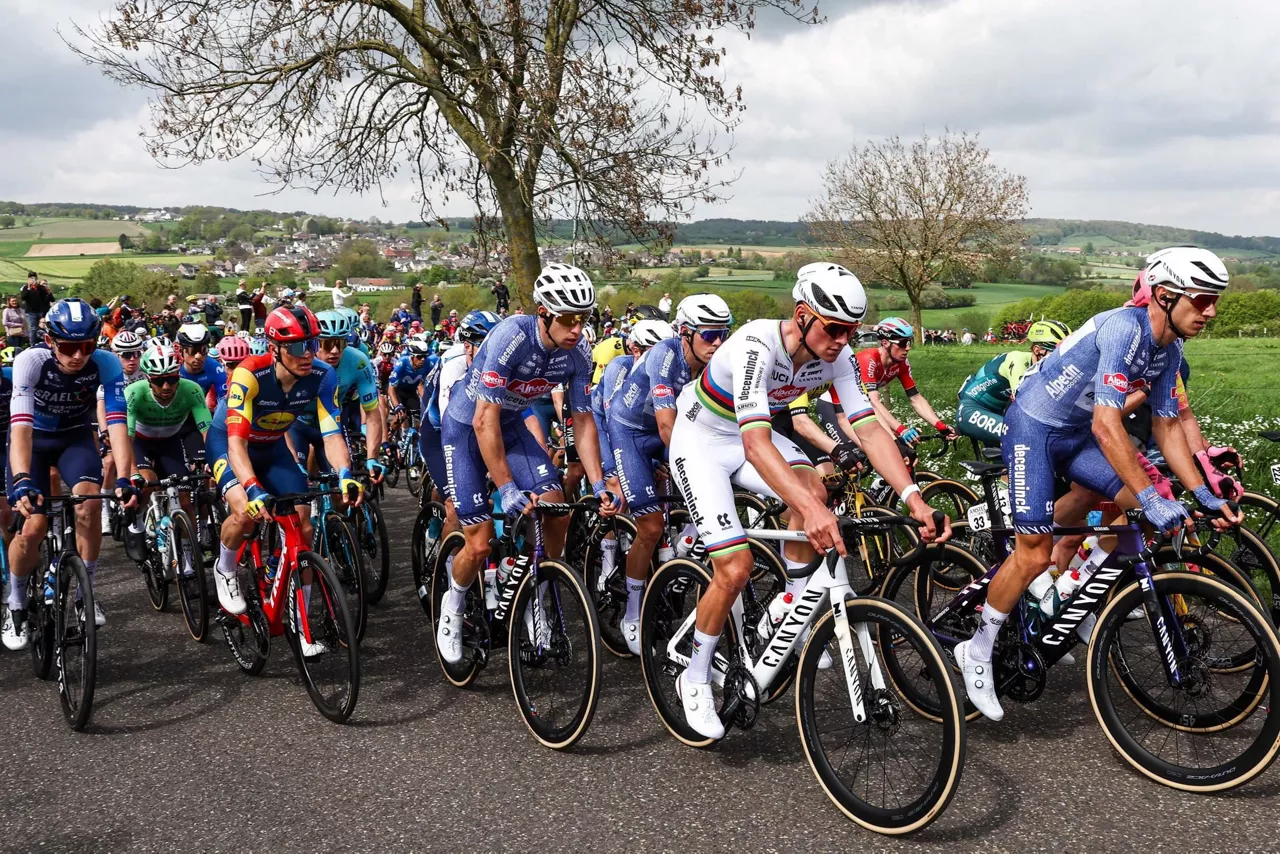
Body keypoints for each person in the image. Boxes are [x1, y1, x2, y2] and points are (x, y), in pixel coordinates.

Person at [956, 246, 1240, 722]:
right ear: (1166, 296)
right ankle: (978, 650)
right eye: (1202, 299)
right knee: (1033, 550)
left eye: (1216, 300)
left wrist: (1204, 493)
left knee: (1130, 501)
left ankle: (1069, 588)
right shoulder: (1124, 330)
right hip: (1035, 429)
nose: (1210, 311)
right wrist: (1152, 495)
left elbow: (1169, 427)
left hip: (1073, 434)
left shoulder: (1170, 348)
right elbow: (1109, 426)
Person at [664, 263, 946, 739]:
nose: (842, 340)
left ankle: (789, 601)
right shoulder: (756, 344)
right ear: (802, 315)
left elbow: (869, 427)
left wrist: (913, 497)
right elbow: (757, 443)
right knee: (734, 567)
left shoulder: (837, 356)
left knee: (816, 489)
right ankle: (694, 676)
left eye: (851, 331)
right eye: (834, 329)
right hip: (703, 441)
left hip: (748, 437)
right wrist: (814, 515)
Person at [435, 263, 616, 663]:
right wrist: (506, 488)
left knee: (556, 509)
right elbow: (484, 422)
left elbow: (583, 420)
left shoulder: (578, 352)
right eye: (568, 319)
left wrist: (598, 481)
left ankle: (539, 597)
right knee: (479, 544)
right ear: (543, 313)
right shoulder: (510, 337)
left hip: (511, 424)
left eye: (583, 319)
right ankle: (453, 604)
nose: (577, 329)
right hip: (467, 427)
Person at [206, 306, 363, 654]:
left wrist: (345, 474)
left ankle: (301, 623)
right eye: (296, 347)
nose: (307, 354)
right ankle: (226, 568)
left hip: (273, 448)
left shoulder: (323, 376)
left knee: (303, 527)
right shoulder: (249, 374)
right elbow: (235, 443)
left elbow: (332, 434)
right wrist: (251, 487)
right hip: (230, 446)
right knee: (245, 511)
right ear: (274, 347)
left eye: (312, 344)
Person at [3, 299, 139, 648]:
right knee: (33, 524)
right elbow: (20, 429)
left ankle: (85, 593)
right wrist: (21, 479)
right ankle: (15, 601)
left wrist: (124, 476)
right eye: (68, 347)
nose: (78, 356)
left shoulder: (106, 364)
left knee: (89, 506)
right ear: (50, 341)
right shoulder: (30, 362)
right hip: (33, 442)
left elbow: (118, 423)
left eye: (87, 346)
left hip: (74, 438)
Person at [608, 301, 727, 653]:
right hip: (630, 432)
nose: (718, 342)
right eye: (709, 334)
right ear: (685, 333)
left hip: (664, 432)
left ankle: (683, 545)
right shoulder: (664, 355)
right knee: (650, 526)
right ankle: (632, 611)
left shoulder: (713, 362)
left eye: (723, 333)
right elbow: (665, 425)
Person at [127, 344, 212, 539]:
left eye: (172, 379)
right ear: (148, 378)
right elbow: (127, 437)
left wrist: (214, 460)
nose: (166, 386)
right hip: (140, 443)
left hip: (170, 442)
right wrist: (132, 471)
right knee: (147, 482)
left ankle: (189, 555)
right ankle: (138, 522)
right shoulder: (135, 391)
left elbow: (207, 430)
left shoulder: (192, 390)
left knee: (184, 498)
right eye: (159, 380)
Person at [288, 310, 384, 479]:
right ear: (314, 343)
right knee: (298, 496)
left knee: (341, 494)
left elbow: (372, 413)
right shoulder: (298, 361)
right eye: (327, 344)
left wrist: (372, 457)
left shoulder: (358, 361)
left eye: (340, 344)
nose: (334, 351)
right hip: (297, 423)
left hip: (332, 422)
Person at [955, 319, 1071, 447]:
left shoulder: (1042, 367)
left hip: (997, 413)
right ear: (1037, 350)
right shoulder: (1018, 360)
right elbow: (1025, 403)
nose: (1062, 359)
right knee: (1025, 437)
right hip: (972, 410)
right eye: (1057, 354)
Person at [856, 317, 957, 447]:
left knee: (895, 451)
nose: (908, 348)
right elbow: (873, 402)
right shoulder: (868, 358)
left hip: (863, 409)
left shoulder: (901, 364)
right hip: (837, 408)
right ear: (886, 342)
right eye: (903, 343)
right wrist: (901, 430)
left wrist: (940, 426)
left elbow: (915, 397)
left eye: (910, 342)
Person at [176, 323, 229, 410]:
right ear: (181, 350)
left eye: (203, 350)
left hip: (199, 410)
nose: (198, 356)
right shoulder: (174, 366)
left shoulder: (215, 367)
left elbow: (224, 401)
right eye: (192, 351)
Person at [19, 272, 53, 338]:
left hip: (41, 311)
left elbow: (46, 299)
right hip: (31, 311)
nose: (32, 279)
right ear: (28, 279)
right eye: (30, 278)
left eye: (34, 278)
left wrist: (48, 292)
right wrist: (29, 288)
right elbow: (23, 297)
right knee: (33, 328)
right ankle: (33, 344)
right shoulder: (25, 288)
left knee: (43, 327)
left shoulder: (41, 288)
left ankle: (44, 342)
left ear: (36, 278)